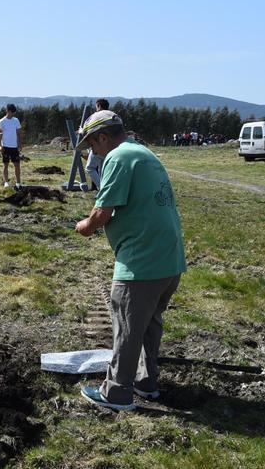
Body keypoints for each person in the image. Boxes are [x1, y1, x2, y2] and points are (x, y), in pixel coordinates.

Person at [74, 110, 187, 411]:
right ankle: (146, 382)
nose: (94, 153)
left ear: (102, 137)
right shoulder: (142, 152)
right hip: (169, 260)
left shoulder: (118, 158)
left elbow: (103, 211)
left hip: (141, 262)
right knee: (148, 323)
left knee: (126, 324)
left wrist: (85, 226)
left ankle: (117, 393)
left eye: (93, 146)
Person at [0, 104, 23, 188]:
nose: (12, 114)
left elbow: (19, 133)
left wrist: (20, 144)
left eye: (13, 112)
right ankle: (6, 182)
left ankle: (18, 183)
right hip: (5, 147)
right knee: (5, 165)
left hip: (14, 147)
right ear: (7, 111)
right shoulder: (1, 121)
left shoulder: (16, 120)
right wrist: (0, 146)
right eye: (11, 112)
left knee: (17, 165)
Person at [85, 99, 110, 190]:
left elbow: (88, 129)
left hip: (98, 145)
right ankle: (105, 190)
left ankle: (103, 190)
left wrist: (81, 131)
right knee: (102, 170)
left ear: (99, 106)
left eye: (96, 107)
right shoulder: (111, 116)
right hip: (109, 146)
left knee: (90, 168)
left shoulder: (96, 116)